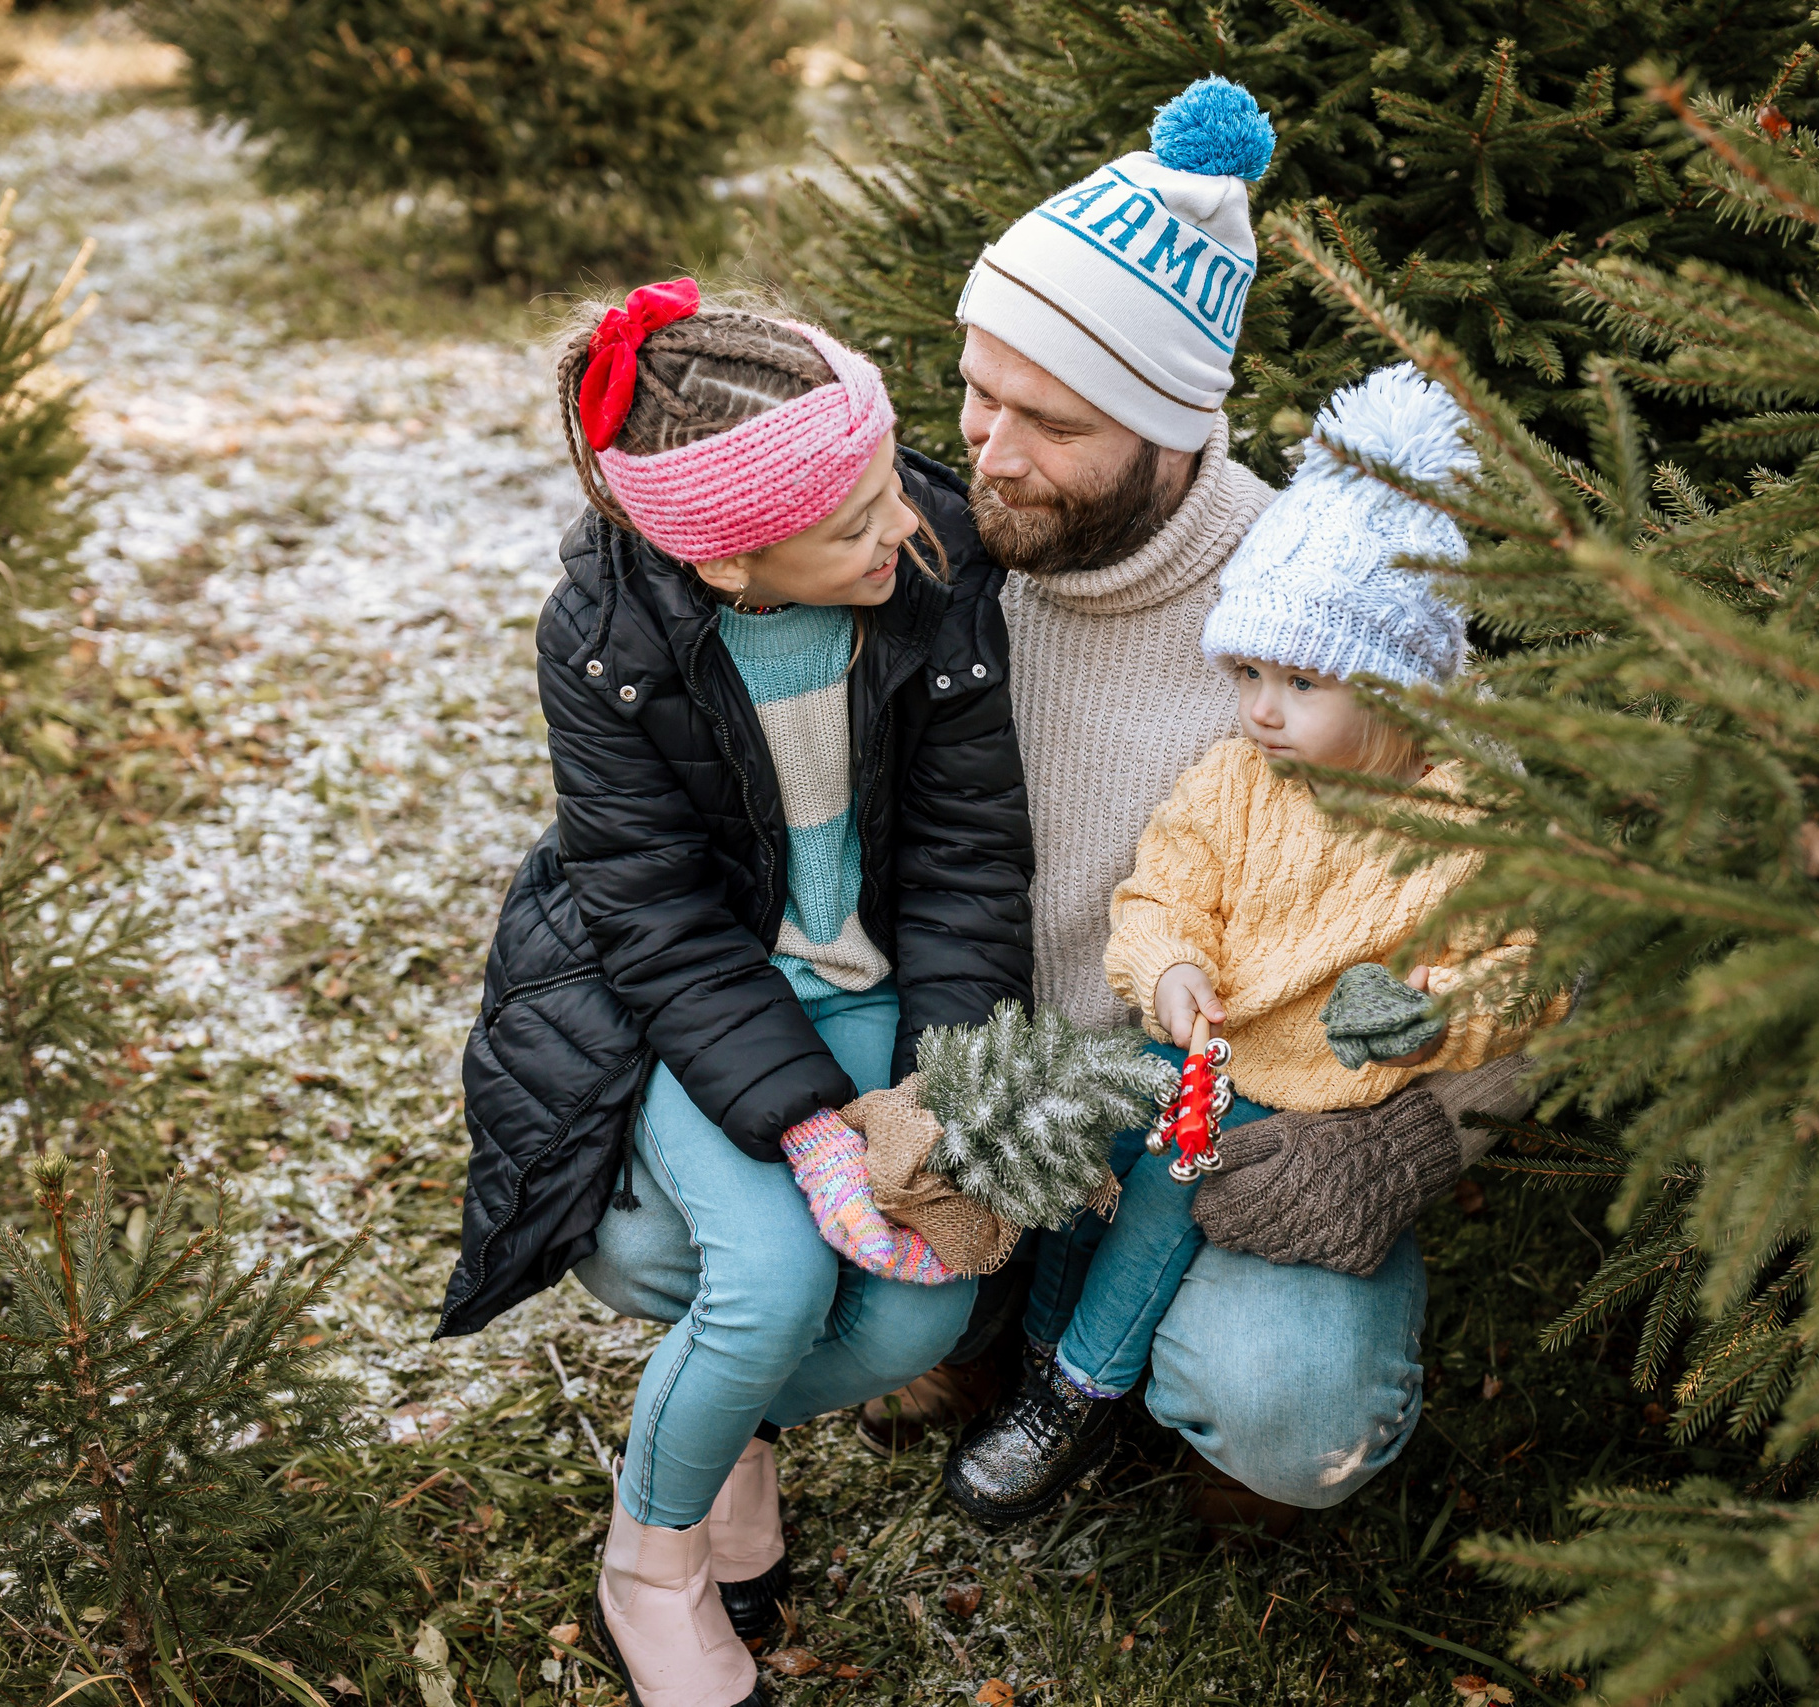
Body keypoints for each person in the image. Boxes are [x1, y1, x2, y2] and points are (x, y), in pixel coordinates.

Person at [865, 78, 1542, 1527]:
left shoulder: (1326, 608)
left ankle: (1195, 1410)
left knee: (1289, 1396)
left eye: (1046, 418)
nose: (986, 446)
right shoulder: (911, 557)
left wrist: (1415, 1136)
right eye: (976, 388)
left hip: (1229, 1110)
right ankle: (977, 1334)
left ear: (1177, 431)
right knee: (714, 1234)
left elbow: (1521, 912)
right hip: (987, 1076)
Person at [942, 367, 1567, 1524]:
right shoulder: (1238, 780)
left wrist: (1435, 1012)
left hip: (1301, 1111)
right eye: (1246, 674)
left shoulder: (1468, 820)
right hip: (1184, 1052)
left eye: (1301, 682)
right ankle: (1012, 1341)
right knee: (1072, 1142)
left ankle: (1078, 1389)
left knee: (1172, 1190)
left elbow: (1524, 974)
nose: (1261, 710)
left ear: (1404, 688)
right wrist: (1170, 970)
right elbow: (1161, 891)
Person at [539, 280, 1032, 1707]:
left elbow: (966, 854)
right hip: (712, 1006)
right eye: (850, 524)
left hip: (874, 989)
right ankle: (652, 1556)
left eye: (889, 481)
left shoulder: (925, 581)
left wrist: (939, 1085)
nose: (904, 527)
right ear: (735, 565)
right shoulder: (607, 643)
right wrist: (807, 1126)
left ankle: (719, 1429)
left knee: (921, 1304)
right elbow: (656, 912)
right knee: (766, 1281)